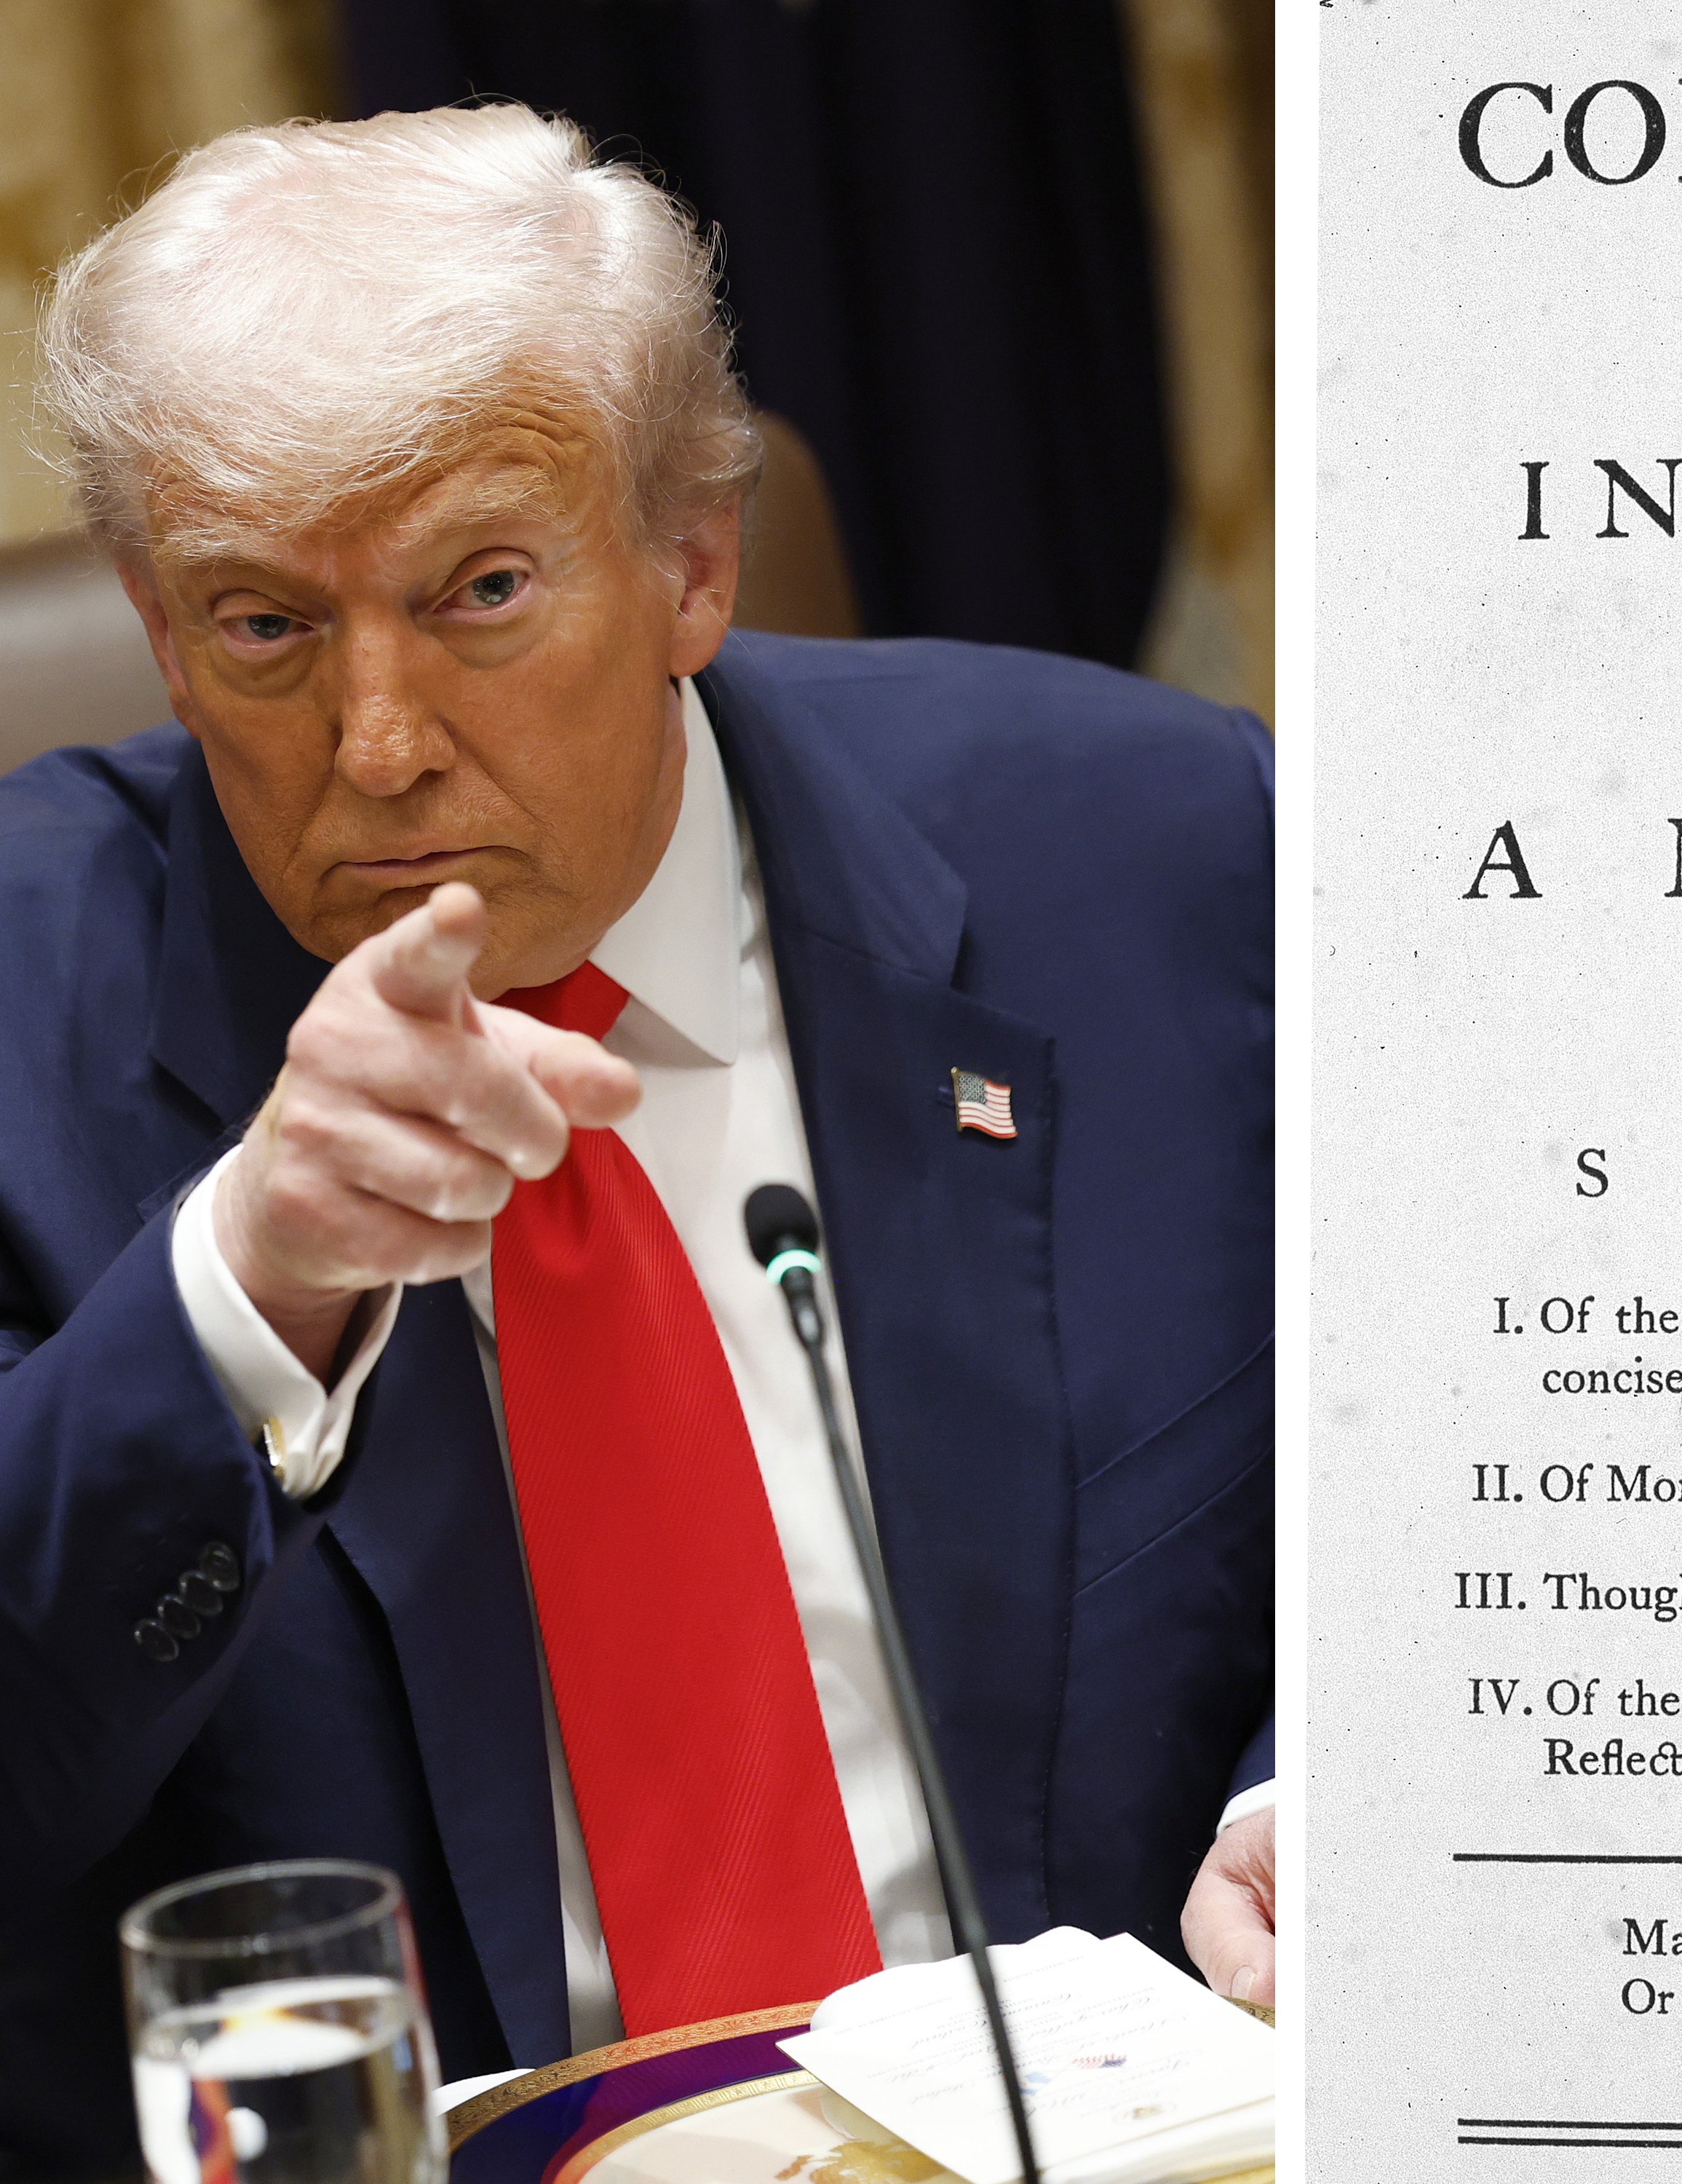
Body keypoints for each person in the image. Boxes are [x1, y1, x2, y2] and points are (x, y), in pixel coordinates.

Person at [0, 106, 1272, 2177]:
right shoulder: (18, 1012)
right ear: (157, 625)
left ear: (693, 562)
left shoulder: (1164, 856)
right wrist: (244, 1290)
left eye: (483, 590)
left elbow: (1473, 1460)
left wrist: (1316, 1795)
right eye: (263, 627)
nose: (380, 744)